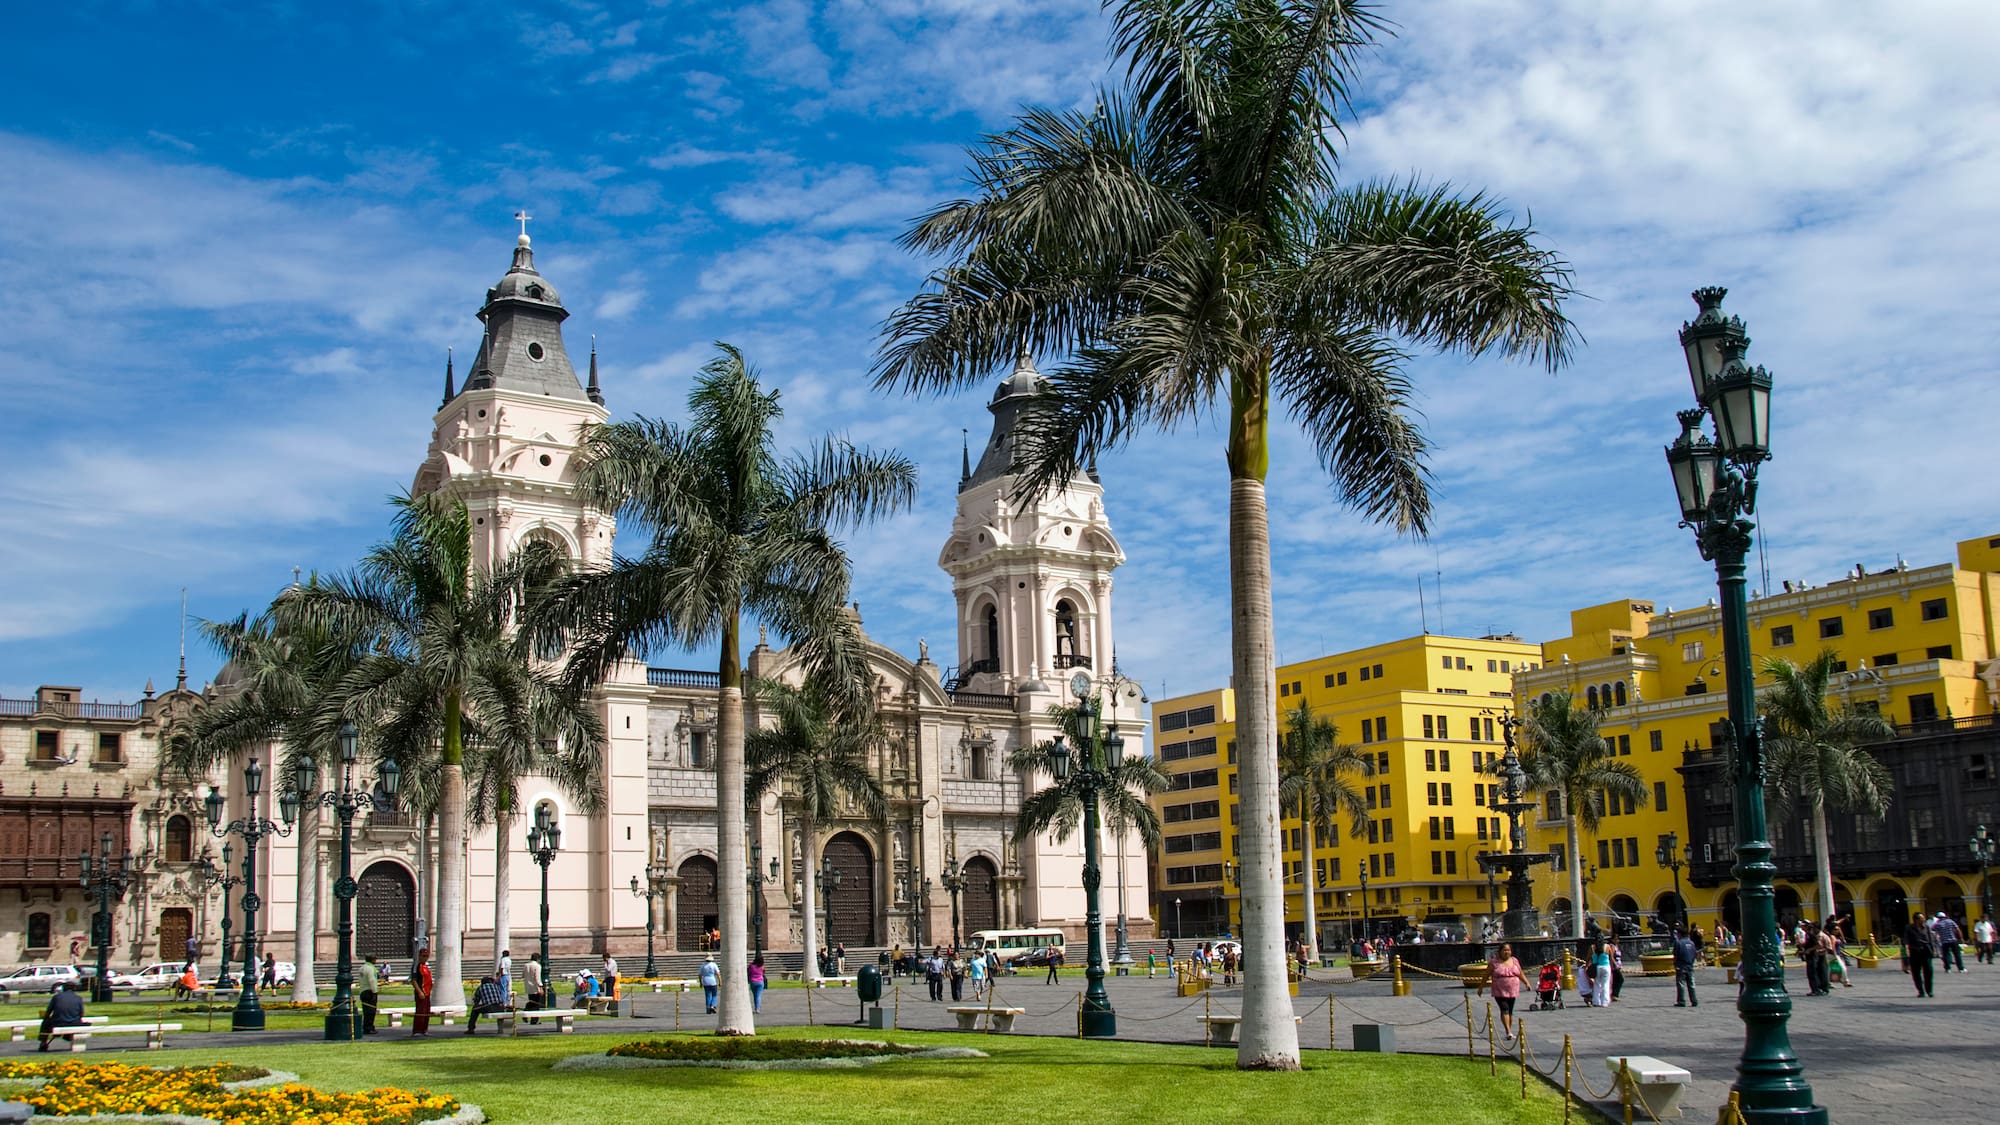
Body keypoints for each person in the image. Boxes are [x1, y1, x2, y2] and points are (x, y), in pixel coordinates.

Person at [1487, 943, 1524, 1040]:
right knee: (1504, 1008)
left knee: (1510, 1011)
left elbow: (1520, 973)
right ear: (1500, 952)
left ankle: (1509, 1030)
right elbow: (1486, 975)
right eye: (1504, 950)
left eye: (1508, 950)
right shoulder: (1494, 963)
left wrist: (1527, 983)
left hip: (1512, 990)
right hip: (1499, 990)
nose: (1506, 952)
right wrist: (1481, 987)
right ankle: (1508, 1031)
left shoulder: (1514, 960)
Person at [37, 982, 85, 1051]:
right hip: (74, 1023)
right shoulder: (79, 998)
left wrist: (46, 1018)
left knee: (45, 1022)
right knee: (76, 1021)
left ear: (63, 988)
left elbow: (49, 1011)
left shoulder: (56, 997)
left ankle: (43, 1042)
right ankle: (67, 1036)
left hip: (58, 1022)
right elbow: (81, 1014)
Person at [1903, 909, 1937, 997]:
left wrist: (1933, 950)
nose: (1924, 919)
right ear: (1916, 920)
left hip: (1926, 951)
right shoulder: (1909, 928)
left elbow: (1931, 940)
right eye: (1922, 918)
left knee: (1929, 971)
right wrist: (1906, 949)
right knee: (1916, 972)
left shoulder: (1926, 927)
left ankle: (1929, 990)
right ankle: (1920, 991)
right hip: (1915, 952)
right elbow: (1906, 940)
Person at [1671, 927, 1699, 1008]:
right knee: (1691, 984)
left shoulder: (1678, 943)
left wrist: (1675, 964)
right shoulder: (1691, 943)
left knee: (1681, 984)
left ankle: (1681, 1001)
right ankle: (1694, 1000)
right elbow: (1694, 954)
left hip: (1681, 966)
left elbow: (1676, 955)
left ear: (1679, 934)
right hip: (1690, 966)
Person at [412, 947, 435, 1036]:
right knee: (420, 1012)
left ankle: (424, 1029)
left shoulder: (426, 966)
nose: (425, 958)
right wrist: (419, 992)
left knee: (426, 1012)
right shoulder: (416, 966)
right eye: (423, 956)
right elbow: (414, 980)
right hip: (421, 992)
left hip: (427, 992)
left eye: (426, 956)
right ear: (419, 956)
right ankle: (417, 1030)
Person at [358, 955, 381, 1035]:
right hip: (369, 991)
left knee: (366, 1011)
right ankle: (369, 1027)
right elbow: (372, 980)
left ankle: (366, 1026)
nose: (376, 960)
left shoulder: (362, 967)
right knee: (371, 1011)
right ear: (372, 959)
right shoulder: (371, 968)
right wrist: (374, 992)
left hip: (363, 991)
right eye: (375, 959)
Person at [1590, 941, 1612, 1007]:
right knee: (1605, 984)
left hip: (1596, 967)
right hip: (1606, 967)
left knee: (1596, 984)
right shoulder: (1607, 947)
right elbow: (1611, 957)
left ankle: (1596, 1001)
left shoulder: (1592, 947)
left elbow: (1588, 958)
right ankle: (1605, 1002)